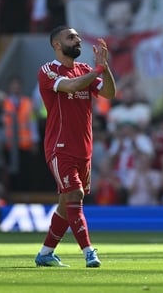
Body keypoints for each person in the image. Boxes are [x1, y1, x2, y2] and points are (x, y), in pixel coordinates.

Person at [35, 25, 116, 268]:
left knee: (65, 203)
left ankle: (46, 253)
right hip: (60, 147)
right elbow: (70, 86)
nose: (78, 40)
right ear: (57, 45)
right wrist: (97, 71)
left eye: (78, 36)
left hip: (84, 150)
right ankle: (89, 252)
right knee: (75, 194)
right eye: (71, 37)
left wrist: (105, 68)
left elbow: (110, 93)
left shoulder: (85, 70)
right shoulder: (48, 71)